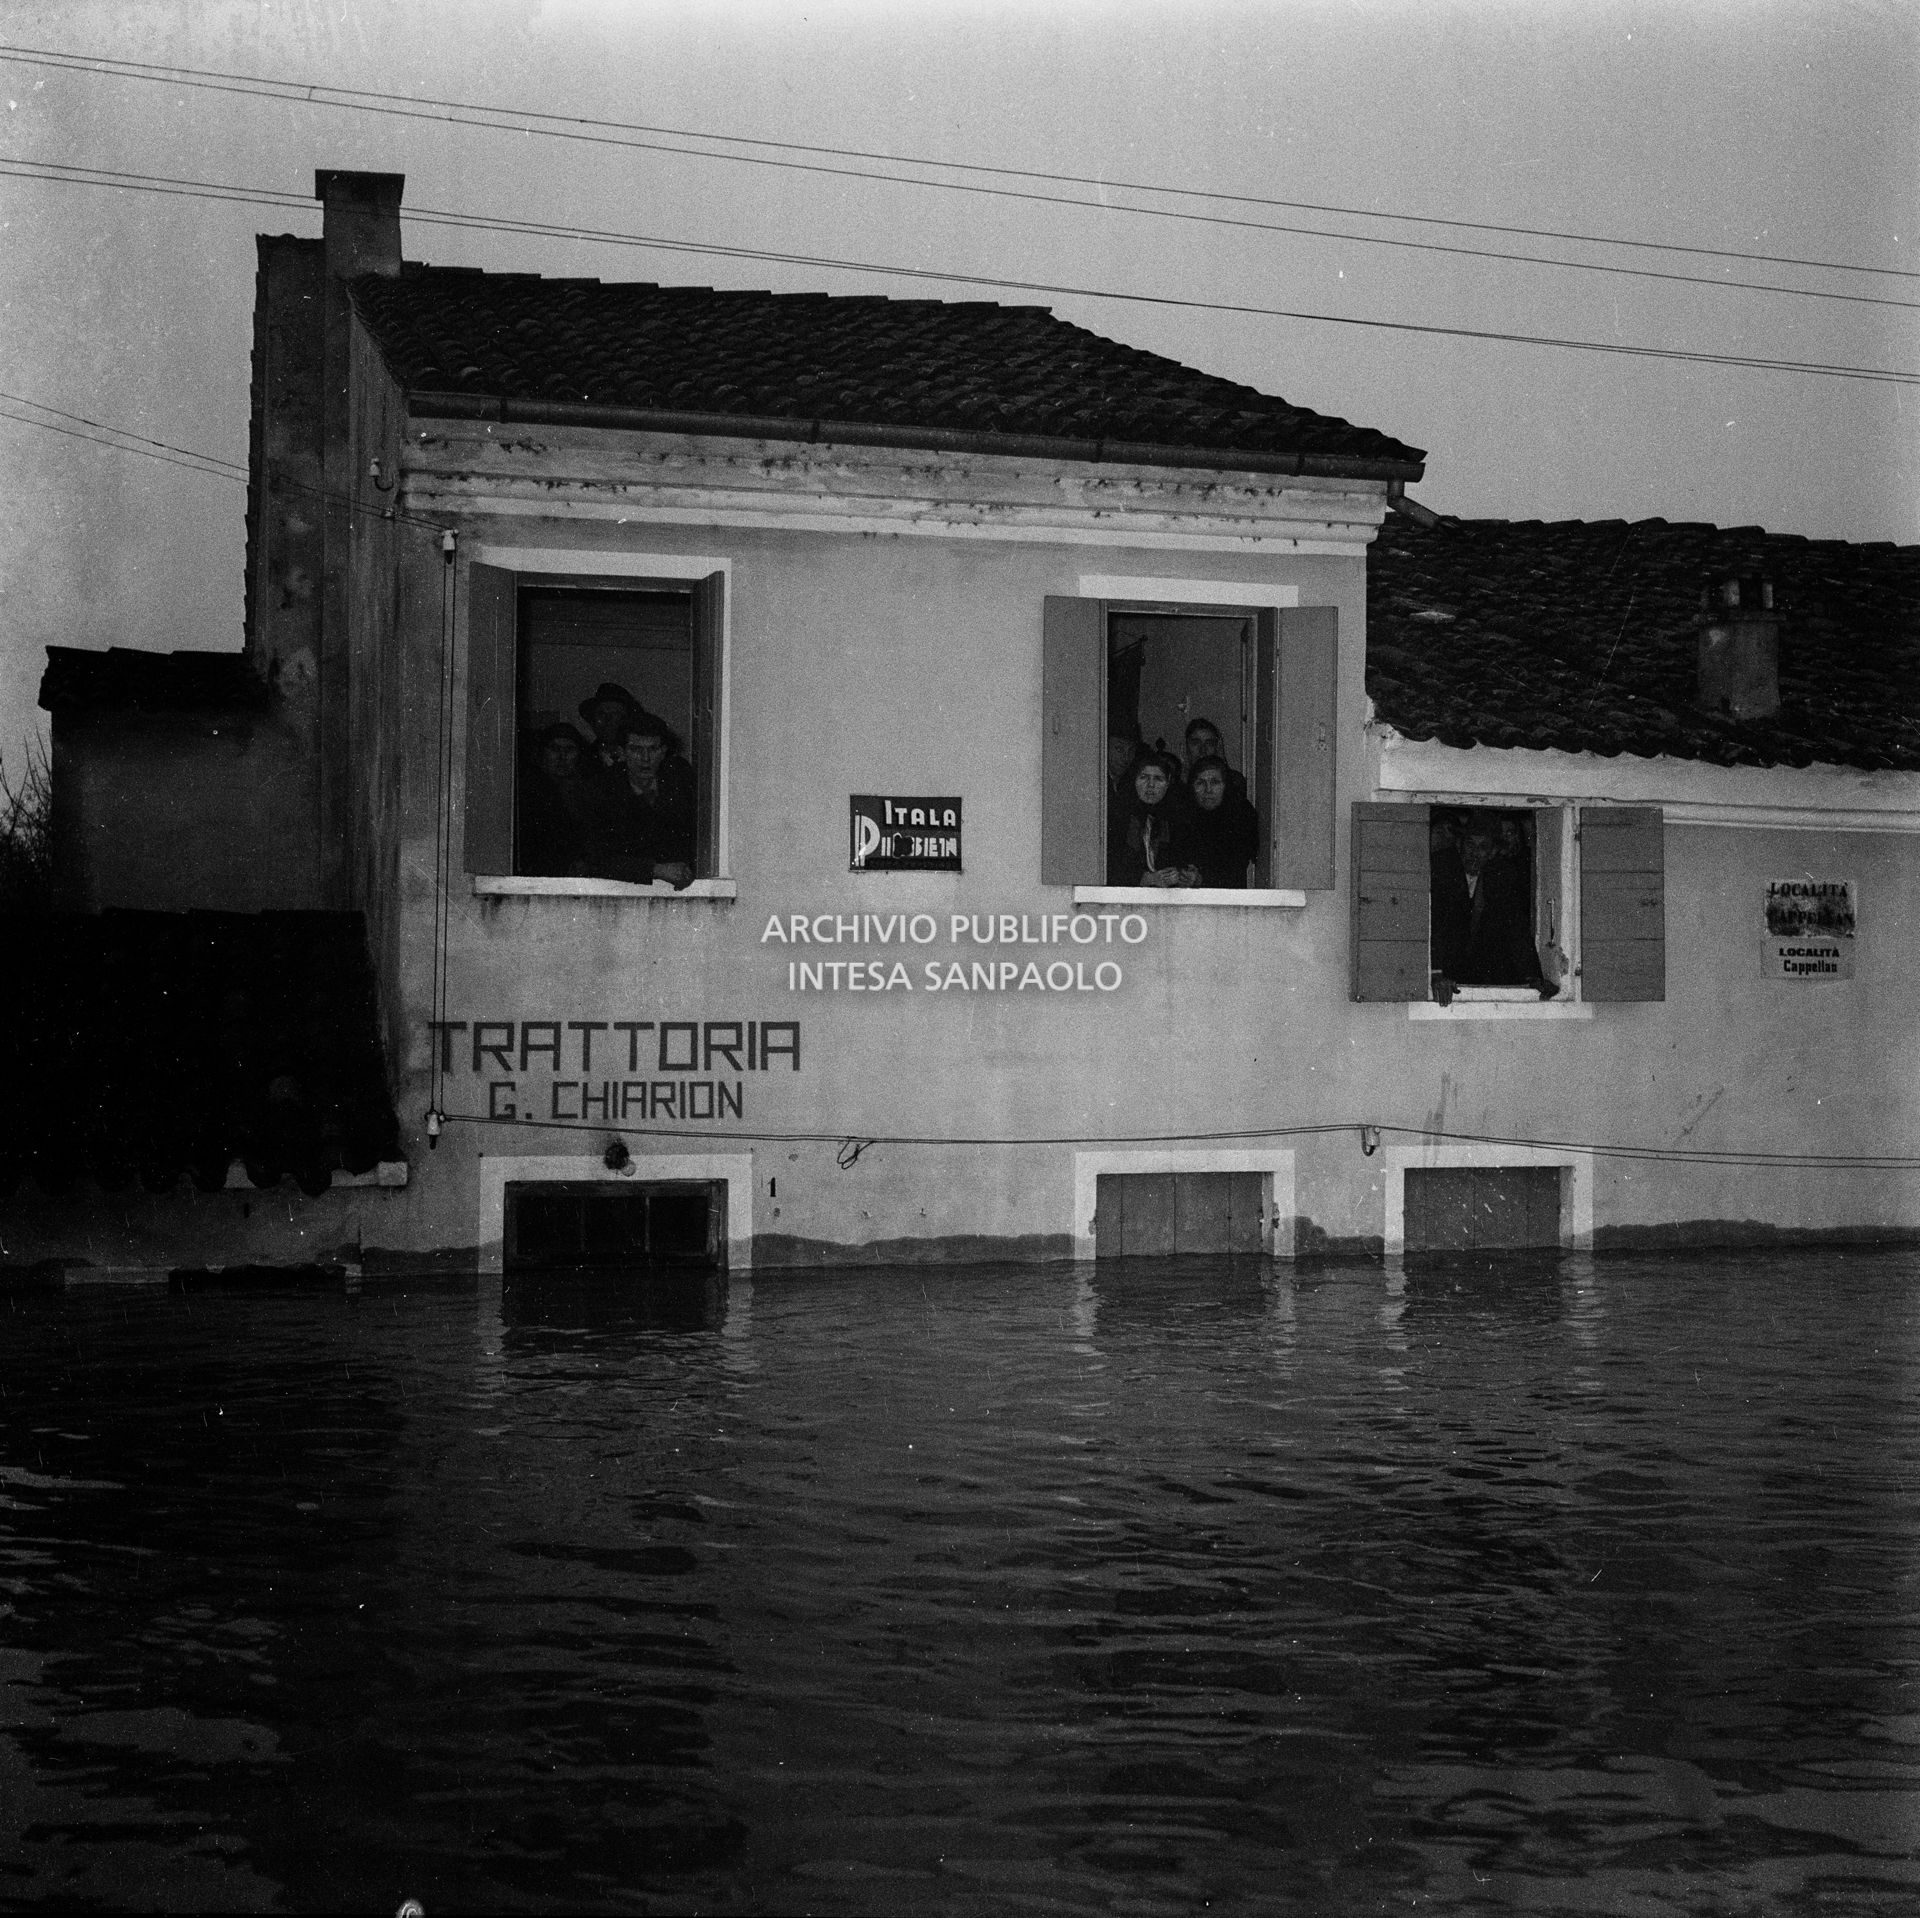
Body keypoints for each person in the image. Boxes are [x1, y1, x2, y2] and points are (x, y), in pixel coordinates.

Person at [1429, 811, 1553, 1003]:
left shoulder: (1501, 875)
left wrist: (1533, 977)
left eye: (1483, 847)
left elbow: (1516, 930)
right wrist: (1435, 974)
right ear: (1460, 844)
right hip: (1443, 972)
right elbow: (1432, 925)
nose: (1474, 853)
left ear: (1493, 851)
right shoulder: (1440, 868)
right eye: (1470, 844)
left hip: (1477, 973)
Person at [588, 714, 696, 888]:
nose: (645, 758)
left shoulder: (680, 784)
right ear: (622, 752)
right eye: (636, 749)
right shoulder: (602, 790)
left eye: (653, 749)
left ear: (664, 751)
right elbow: (596, 859)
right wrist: (655, 870)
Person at [518, 721, 603, 875]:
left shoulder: (590, 792)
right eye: (555, 749)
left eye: (569, 750)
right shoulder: (526, 791)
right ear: (542, 752)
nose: (562, 757)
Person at [1109, 752, 1197, 887]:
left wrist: (1182, 875)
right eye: (1144, 777)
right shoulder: (1119, 817)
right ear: (1134, 780)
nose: (1151, 785)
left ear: (1168, 783)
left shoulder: (1178, 820)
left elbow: (1184, 861)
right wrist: (1147, 879)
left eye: (1158, 779)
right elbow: (1111, 866)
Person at [1185, 753, 1260, 888]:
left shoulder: (1241, 815)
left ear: (1226, 785)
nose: (1208, 790)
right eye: (1200, 783)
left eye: (1215, 783)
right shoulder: (1183, 815)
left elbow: (1236, 866)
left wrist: (1202, 879)